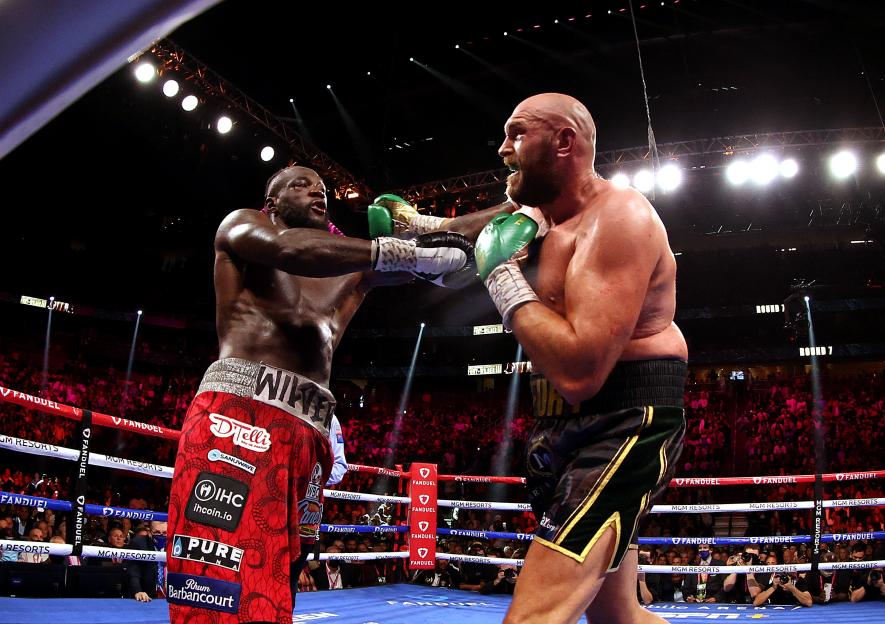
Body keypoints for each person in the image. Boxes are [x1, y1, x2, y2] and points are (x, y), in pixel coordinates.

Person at [166, 165, 508, 624]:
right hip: (240, 416)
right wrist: (391, 250)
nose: (316, 191)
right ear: (271, 202)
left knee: (283, 572)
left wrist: (515, 207)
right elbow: (289, 249)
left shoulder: (351, 267)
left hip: (308, 428)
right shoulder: (244, 226)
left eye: (322, 188)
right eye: (301, 184)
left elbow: (443, 238)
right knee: (222, 578)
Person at [474, 93, 688, 624]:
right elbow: (474, 233)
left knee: (532, 616)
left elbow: (580, 372)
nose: (503, 149)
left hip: (624, 423)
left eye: (517, 134)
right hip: (556, 427)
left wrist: (500, 277)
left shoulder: (620, 216)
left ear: (564, 141)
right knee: (620, 619)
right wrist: (414, 232)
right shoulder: (538, 218)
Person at [126, 520, 166, 603]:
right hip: (148, 596)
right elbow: (133, 571)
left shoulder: (175, 545)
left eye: (165, 533)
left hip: (170, 598)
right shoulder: (139, 543)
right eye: (157, 532)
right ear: (150, 532)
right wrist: (138, 591)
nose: (161, 535)